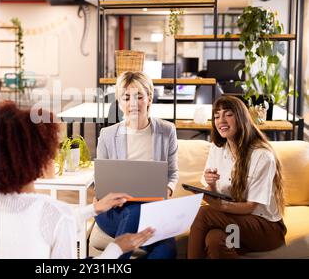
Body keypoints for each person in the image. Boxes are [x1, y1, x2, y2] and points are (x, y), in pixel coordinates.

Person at [0, 101, 155, 259]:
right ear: (38, 155)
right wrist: (116, 248)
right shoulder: (54, 212)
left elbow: (45, 222)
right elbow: (54, 221)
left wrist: (94, 208)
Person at [187, 96, 287, 259]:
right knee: (215, 240)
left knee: (204, 214)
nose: (221, 120)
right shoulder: (217, 148)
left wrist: (219, 206)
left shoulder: (261, 156)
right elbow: (214, 193)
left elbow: (250, 207)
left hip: (266, 229)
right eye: (217, 116)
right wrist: (211, 185)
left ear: (241, 118)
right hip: (235, 223)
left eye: (228, 114)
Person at [95, 71, 179, 259]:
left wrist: (167, 190)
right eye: (126, 98)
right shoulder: (108, 135)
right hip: (113, 212)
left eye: (139, 96)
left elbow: (172, 173)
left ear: (149, 98)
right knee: (134, 210)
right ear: (119, 102)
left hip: (153, 211)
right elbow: (100, 180)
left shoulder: (167, 131)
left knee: (167, 250)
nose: (133, 103)